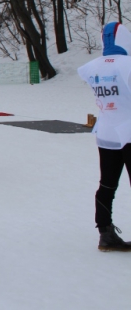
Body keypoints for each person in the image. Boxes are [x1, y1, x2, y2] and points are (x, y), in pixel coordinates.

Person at [78, 22, 131, 251]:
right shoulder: (127, 65)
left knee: (107, 184)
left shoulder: (92, 67)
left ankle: (105, 232)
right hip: (128, 130)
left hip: (106, 131)